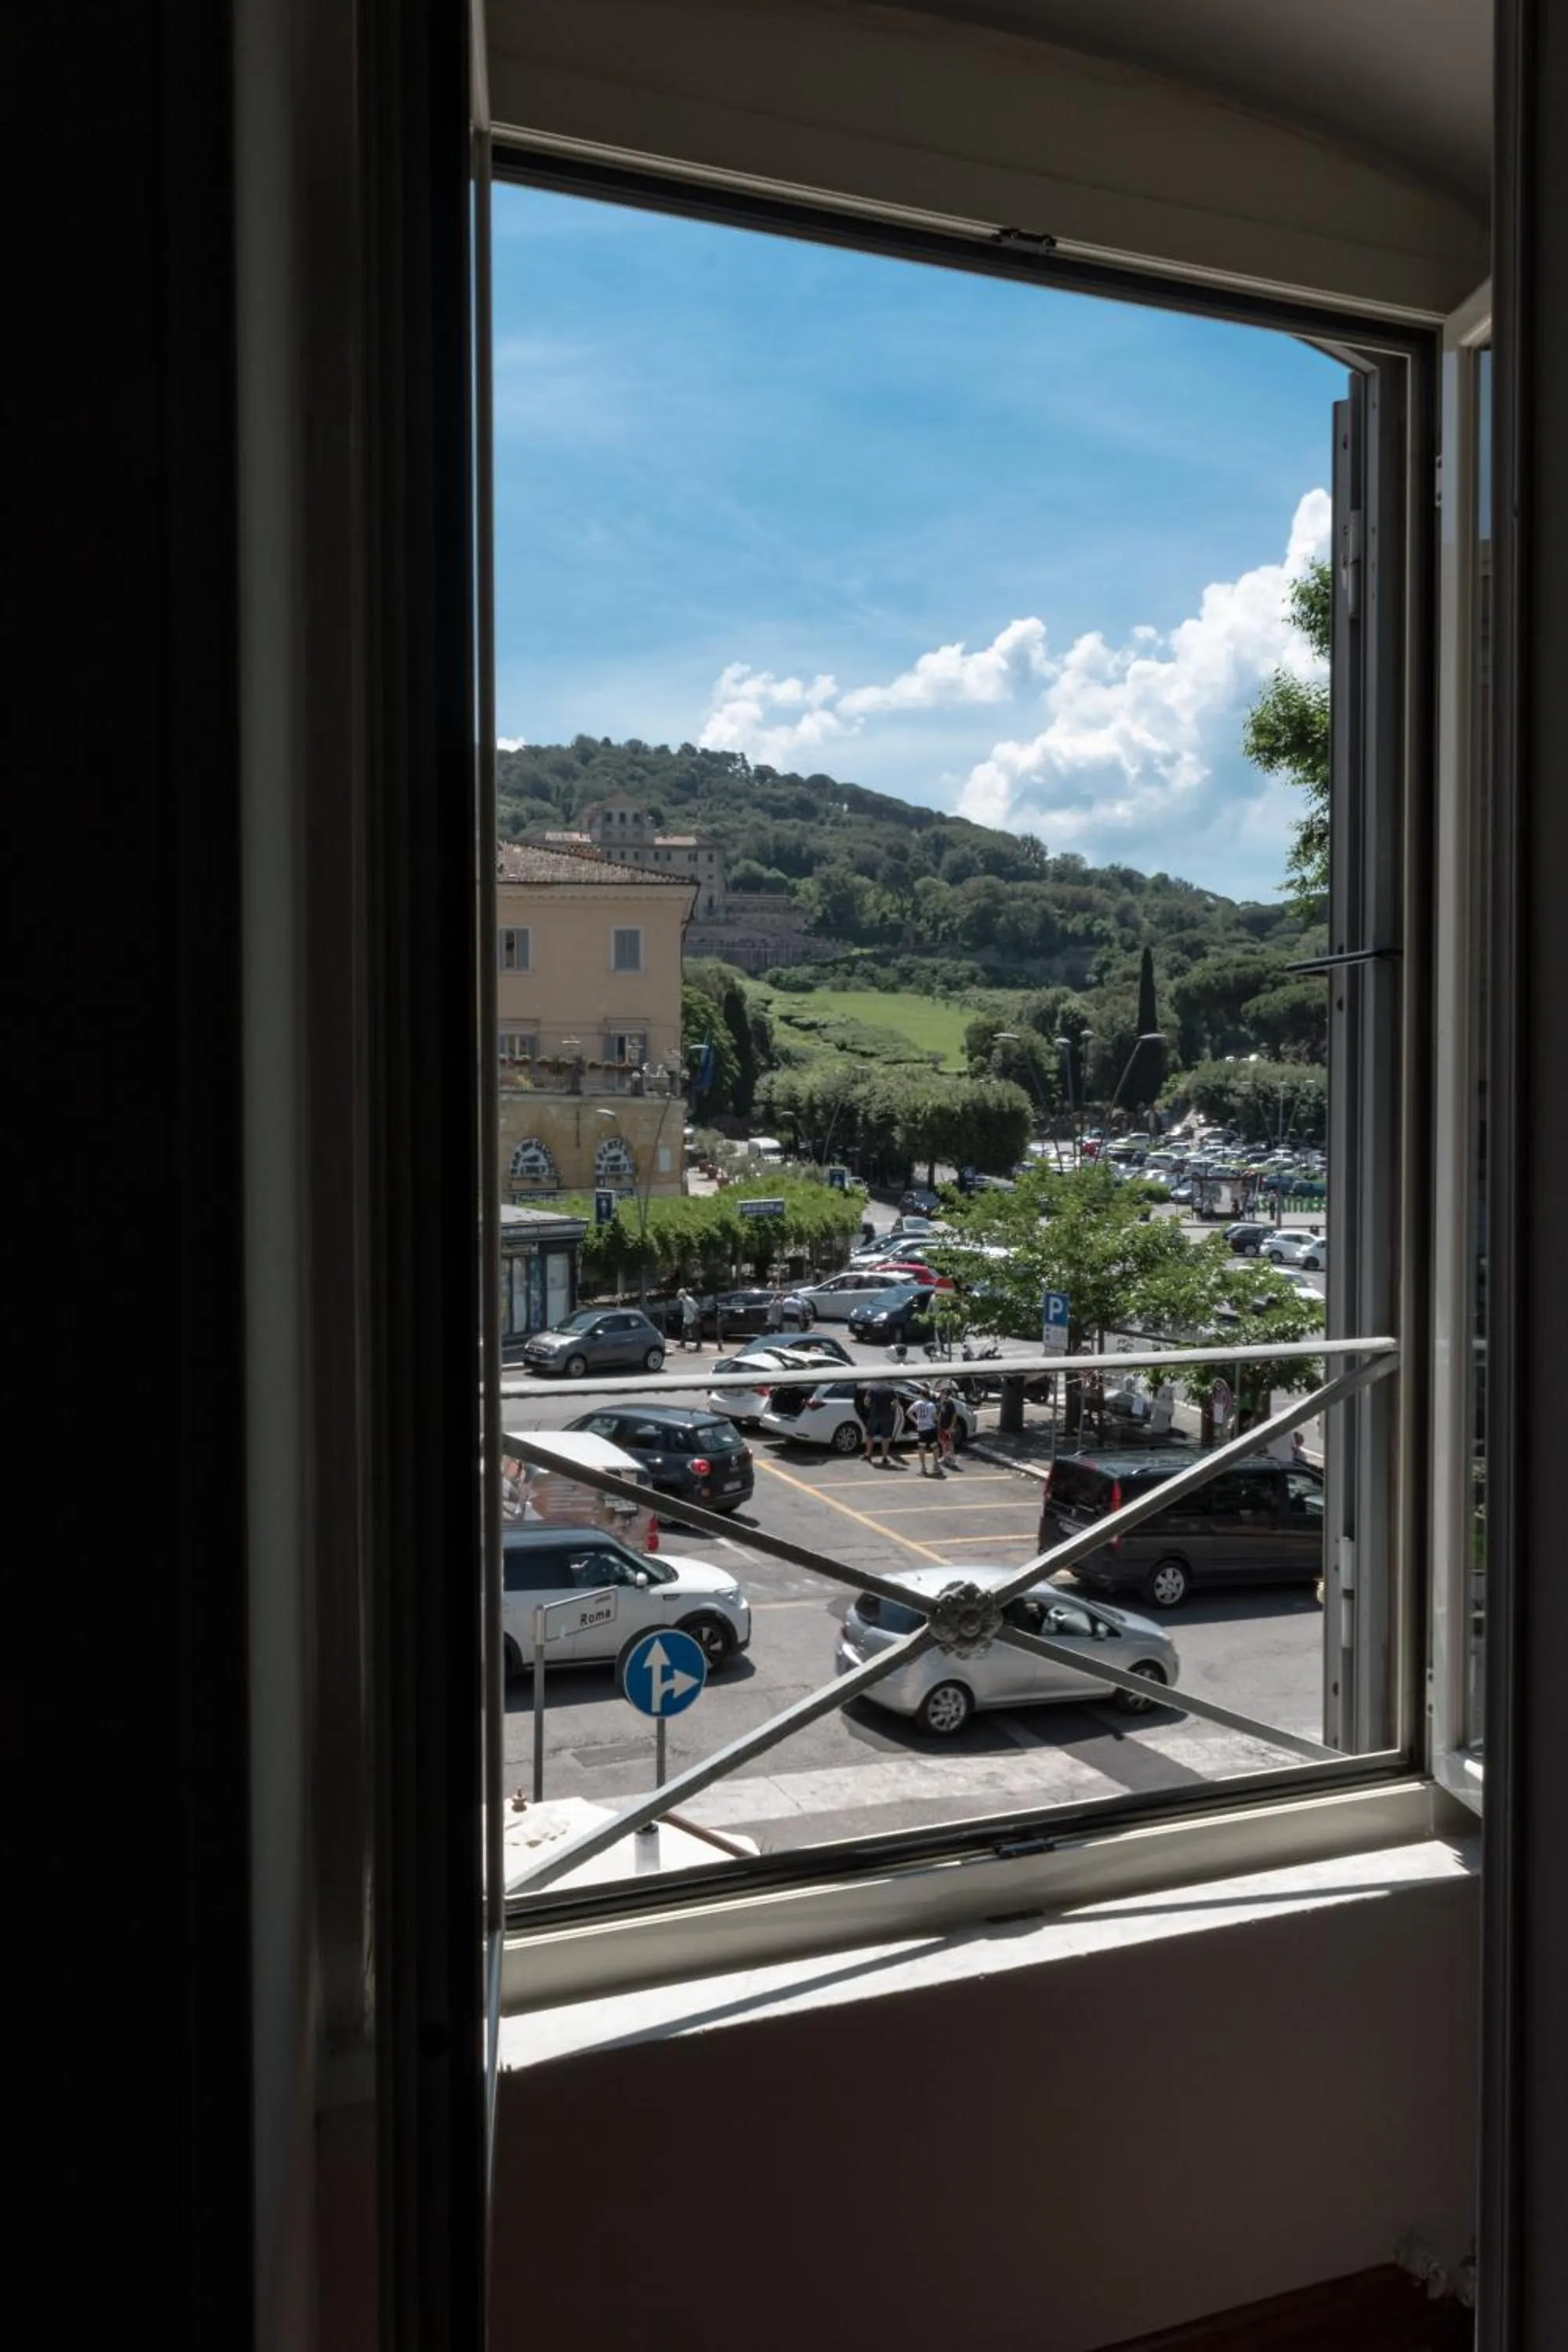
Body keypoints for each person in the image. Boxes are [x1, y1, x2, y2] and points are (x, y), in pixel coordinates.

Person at [865, 1377, 900, 1468]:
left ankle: (868, 1454)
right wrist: (891, 1409)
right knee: (885, 1437)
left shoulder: (872, 1389)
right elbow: (896, 1404)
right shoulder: (891, 1390)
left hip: (874, 1415)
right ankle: (884, 1457)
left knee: (870, 1435)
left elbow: (866, 1402)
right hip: (887, 1417)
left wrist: (870, 1408)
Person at [909, 1388, 941, 1475]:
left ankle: (923, 1468)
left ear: (921, 1395)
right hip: (930, 1428)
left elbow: (909, 1413)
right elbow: (935, 1418)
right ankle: (936, 1465)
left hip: (921, 1429)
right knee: (935, 1446)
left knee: (921, 1447)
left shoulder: (917, 1403)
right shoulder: (931, 1405)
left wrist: (916, 1421)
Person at [936, 1382, 960, 1471]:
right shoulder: (941, 1403)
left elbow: (954, 1416)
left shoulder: (950, 1403)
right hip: (941, 1427)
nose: (941, 1394)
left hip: (947, 1427)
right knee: (942, 1442)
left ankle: (952, 1459)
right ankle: (945, 1458)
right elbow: (939, 1414)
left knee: (949, 1444)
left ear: (946, 1394)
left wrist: (951, 1427)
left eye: (942, 1393)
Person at [678, 1287, 701, 1352]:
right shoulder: (683, 1300)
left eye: (681, 1295)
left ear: (683, 1294)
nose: (680, 1296)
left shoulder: (690, 1300)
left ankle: (698, 1345)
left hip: (692, 1318)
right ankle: (682, 1344)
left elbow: (696, 1308)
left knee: (695, 1332)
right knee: (684, 1330)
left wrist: (697, 1317)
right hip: (687, 1318)